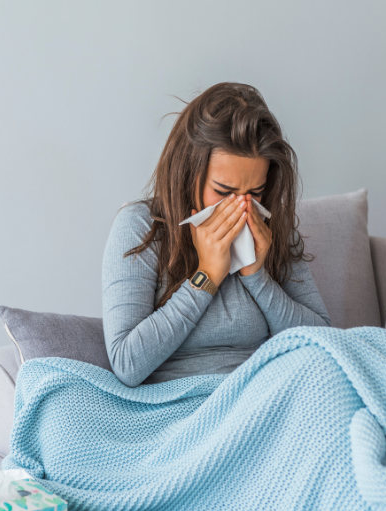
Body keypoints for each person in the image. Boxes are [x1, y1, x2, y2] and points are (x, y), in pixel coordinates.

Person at [102, 82, 331, 387]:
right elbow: (127, 364)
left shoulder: (270, 229)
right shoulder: (141, 227)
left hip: (266, 391)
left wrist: (257, 276)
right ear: (187, 172)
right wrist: (206, 276)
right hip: (184, 404)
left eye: (255, 192)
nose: (240, 207)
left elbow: (325, 342)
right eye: (224, 191)